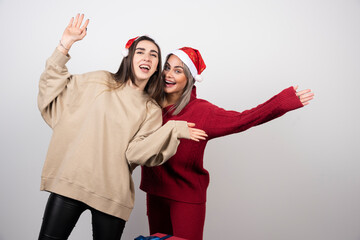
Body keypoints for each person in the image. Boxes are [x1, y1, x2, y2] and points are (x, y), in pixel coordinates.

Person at [37, 15, 207, 240]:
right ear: (129, 57)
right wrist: (65, 45)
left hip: (112, 195)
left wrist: (172, 129)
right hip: (71, 182)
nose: (147, 57)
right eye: (140, 51)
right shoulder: (99, 81)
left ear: (157, 67)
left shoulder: (151, 109)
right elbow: (53, 88)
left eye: (153, 54)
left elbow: (135, 154)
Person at [140, 47, 314, 240]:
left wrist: (281, 102)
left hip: (186, 198)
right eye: (167, 67)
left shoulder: (203, 112)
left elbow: (243, 119)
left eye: (178, 70)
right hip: (155, 194)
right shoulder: (151, 105)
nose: (168, 74)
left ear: (189, 78)